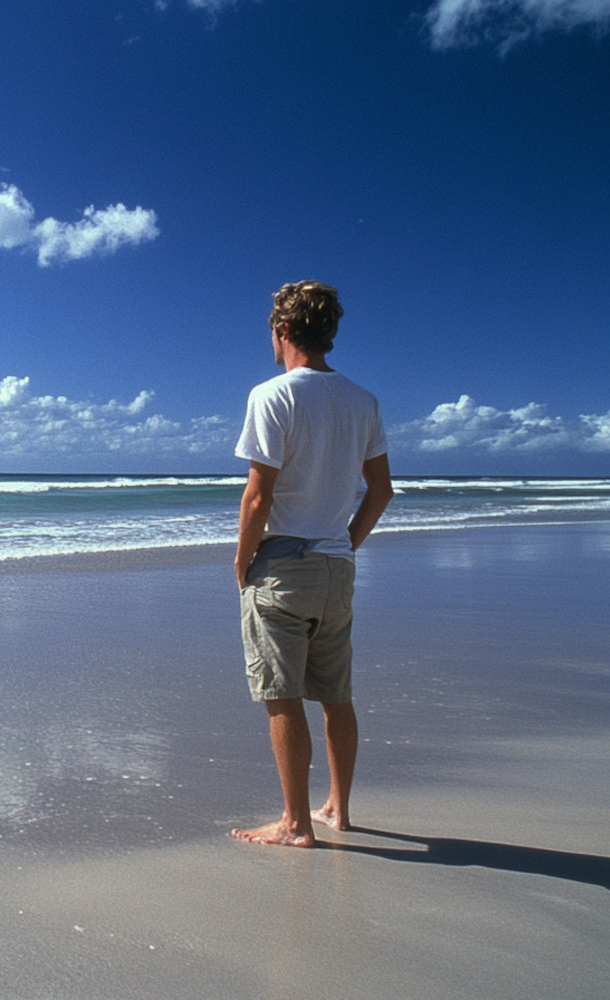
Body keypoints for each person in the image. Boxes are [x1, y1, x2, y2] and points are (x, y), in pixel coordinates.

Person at [230, 280, 393, 848]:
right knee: (335, 694)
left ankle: (296, 822)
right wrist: (345, 542)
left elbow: (258, 496)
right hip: (335, 566)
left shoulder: (272, 395)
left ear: (282, 331)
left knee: (282, 694)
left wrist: (242, 559)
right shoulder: (362, 400)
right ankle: (337, 809)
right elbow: (381, 490)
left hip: (283, 565)